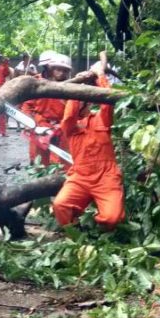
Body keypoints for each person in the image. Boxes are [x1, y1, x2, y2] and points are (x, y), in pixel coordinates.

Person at [51, 61, 125, 230]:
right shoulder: (69, 126)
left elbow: (108, 101)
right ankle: (76, 233)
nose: (82, 103)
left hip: (106, 176)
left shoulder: (101, 119)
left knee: (113, 217)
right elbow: (70, 115)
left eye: (85, 99)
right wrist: (78, 87)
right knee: (60, 205)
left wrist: (100, 75)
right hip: (80, 177)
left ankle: (102, 231)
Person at [21, 51, 72, 167]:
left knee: (61, 162)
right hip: (41, 124)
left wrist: (66, 124)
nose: (60, 73)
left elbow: (77, 113)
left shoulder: (71, 86)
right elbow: (27, 105)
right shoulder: (35, 82)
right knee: (38, 160)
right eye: (57, 69)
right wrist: (28, 121)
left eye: (64, 70)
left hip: (61, 126)